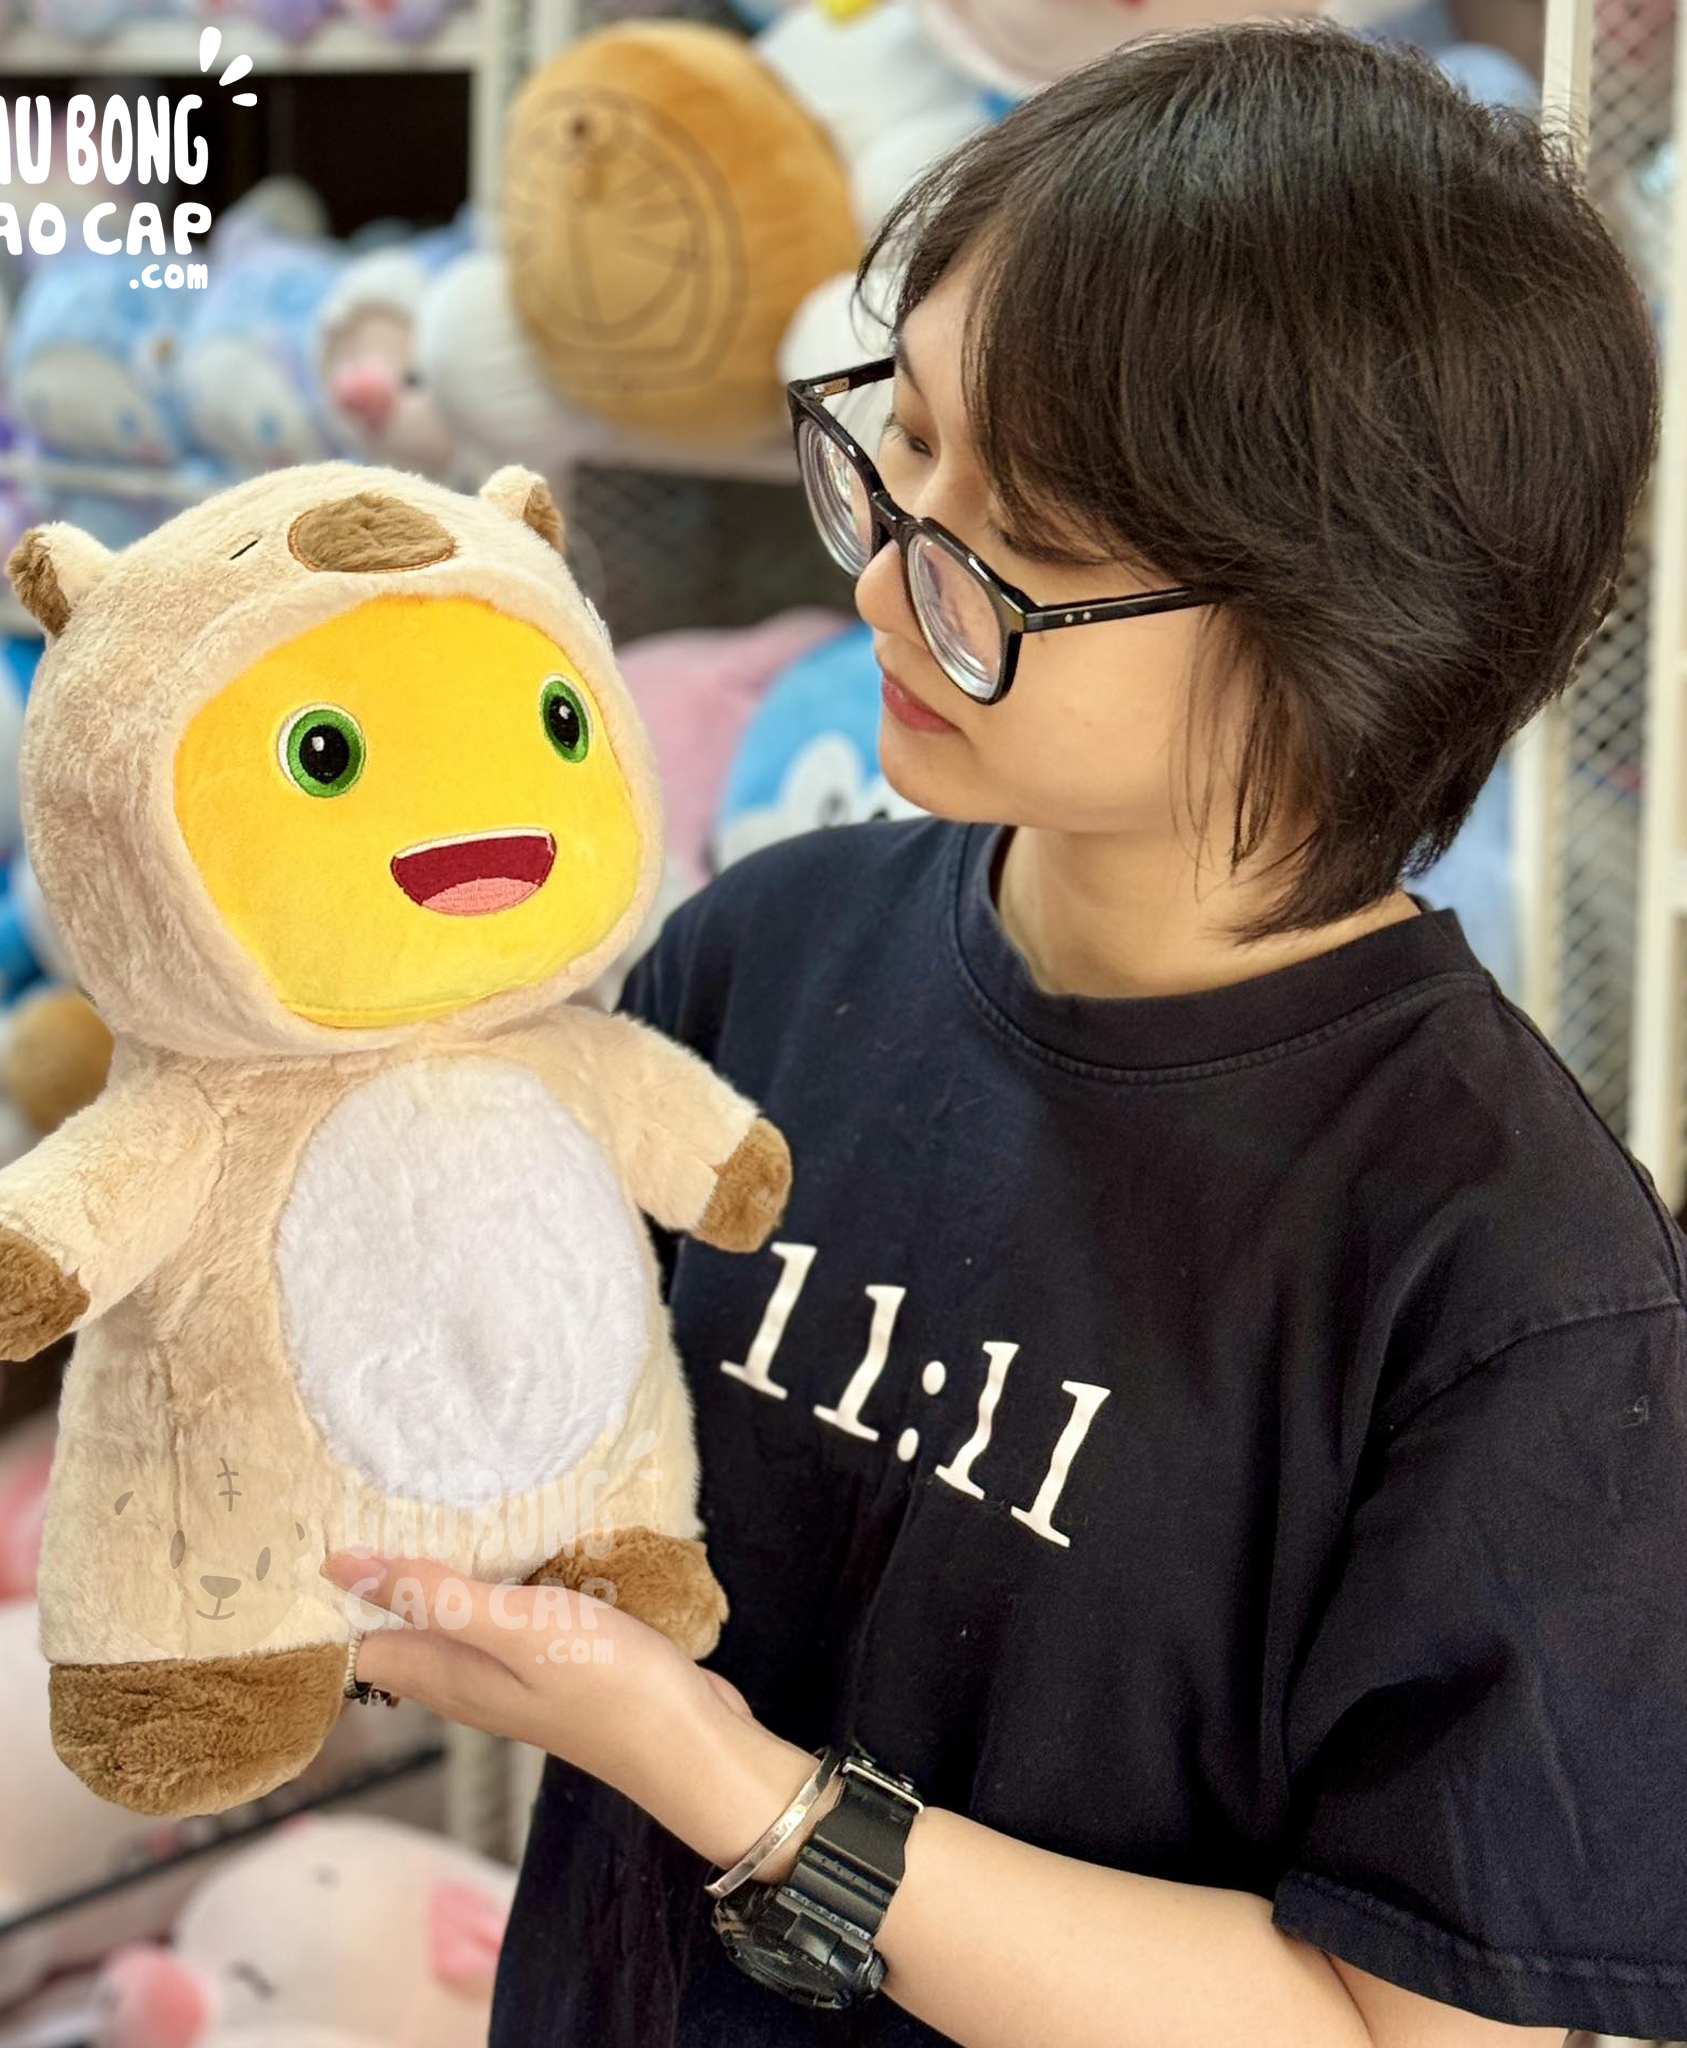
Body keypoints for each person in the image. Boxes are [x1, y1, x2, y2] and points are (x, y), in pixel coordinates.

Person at [324, 21, 1687, 2045]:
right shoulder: (768, 949)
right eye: (903, 446)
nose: (889, 579)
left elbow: (1409, 2026)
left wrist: (739, 1789)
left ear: (1354, 625)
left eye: (1018, 545)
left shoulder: (1509, 1287)